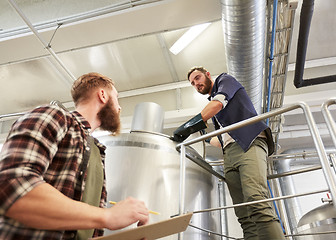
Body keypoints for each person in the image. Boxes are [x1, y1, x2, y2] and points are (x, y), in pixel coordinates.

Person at [0, 72, 149, 239]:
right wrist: (107, 216)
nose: (120, 107)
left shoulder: (96, 150)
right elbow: (11, 186)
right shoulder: (54, 116)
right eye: (117, 97)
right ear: (102, 95)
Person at [172, 67, 285, 240]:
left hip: (250, 142)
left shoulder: (224, 81)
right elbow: (222, 140)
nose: (196, 84)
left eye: (198, 78)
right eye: (193, 83)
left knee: (256, 200)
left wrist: (189, 126)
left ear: (208, 75)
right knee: (243, 214)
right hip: (230, 153)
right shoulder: (218, 115)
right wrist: (203, 138)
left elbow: (218, 103)